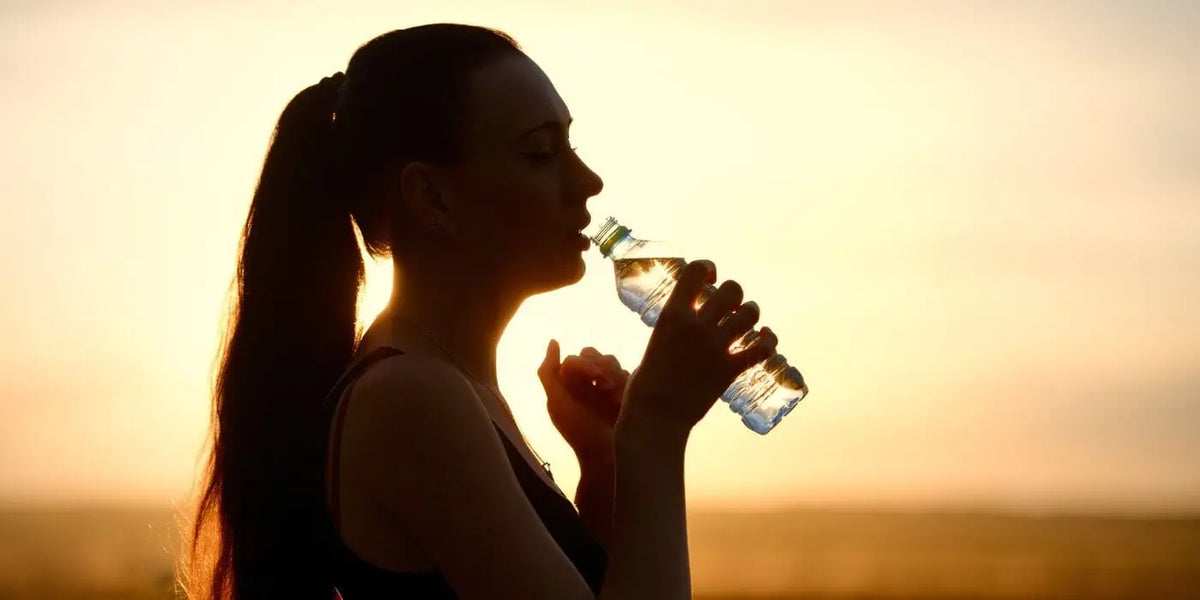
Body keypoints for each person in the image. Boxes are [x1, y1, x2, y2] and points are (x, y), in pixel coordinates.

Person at [182, 23, 778, 600]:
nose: (589, 181)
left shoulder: (451, 387)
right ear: (431, 196)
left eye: (571, 146)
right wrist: (656, 426)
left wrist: (605, 467)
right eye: (541, 153)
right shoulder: (411, 396)